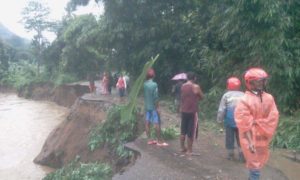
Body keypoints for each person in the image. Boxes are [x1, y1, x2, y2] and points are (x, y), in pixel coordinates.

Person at [234, 67, 279, 180]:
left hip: (263, 136)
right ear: (250, 82)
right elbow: (244, 124)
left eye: (263, 81)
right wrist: (250, 142)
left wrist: (264, 128)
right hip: (248, 137)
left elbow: (273, 116)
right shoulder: (244, 100)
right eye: (259, 81)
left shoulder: (269, 98)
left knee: (259, 162)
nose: (262, 83)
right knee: (255, 167)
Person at [217, 77, 244, 161]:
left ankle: (230, 154)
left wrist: (219, 120)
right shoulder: (244, 95)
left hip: (230, 120)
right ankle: (242, 154)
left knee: (229, 137)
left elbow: (222, 109)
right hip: (242, 121)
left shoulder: (226, 95)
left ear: (228, 85)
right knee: (241, 138)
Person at [180, 72, 204, 157]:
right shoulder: (196, 86)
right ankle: (189, 150)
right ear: (194, 78)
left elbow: (182, 97)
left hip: (184, 110)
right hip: (192, 112)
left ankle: (182, 147)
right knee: (191, 131)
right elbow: (202, 97)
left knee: (183, 130)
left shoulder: (183, 86)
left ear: (187, 78)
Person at [144, 68, 168, 147]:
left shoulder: (145, 84)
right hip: (153, 107)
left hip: (147, 107)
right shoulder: (154, 84)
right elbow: (156, 97)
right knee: (156, 123)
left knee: (147, 123)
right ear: (153, 75)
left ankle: (149, 140)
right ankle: (159, 141)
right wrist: (157, 107)